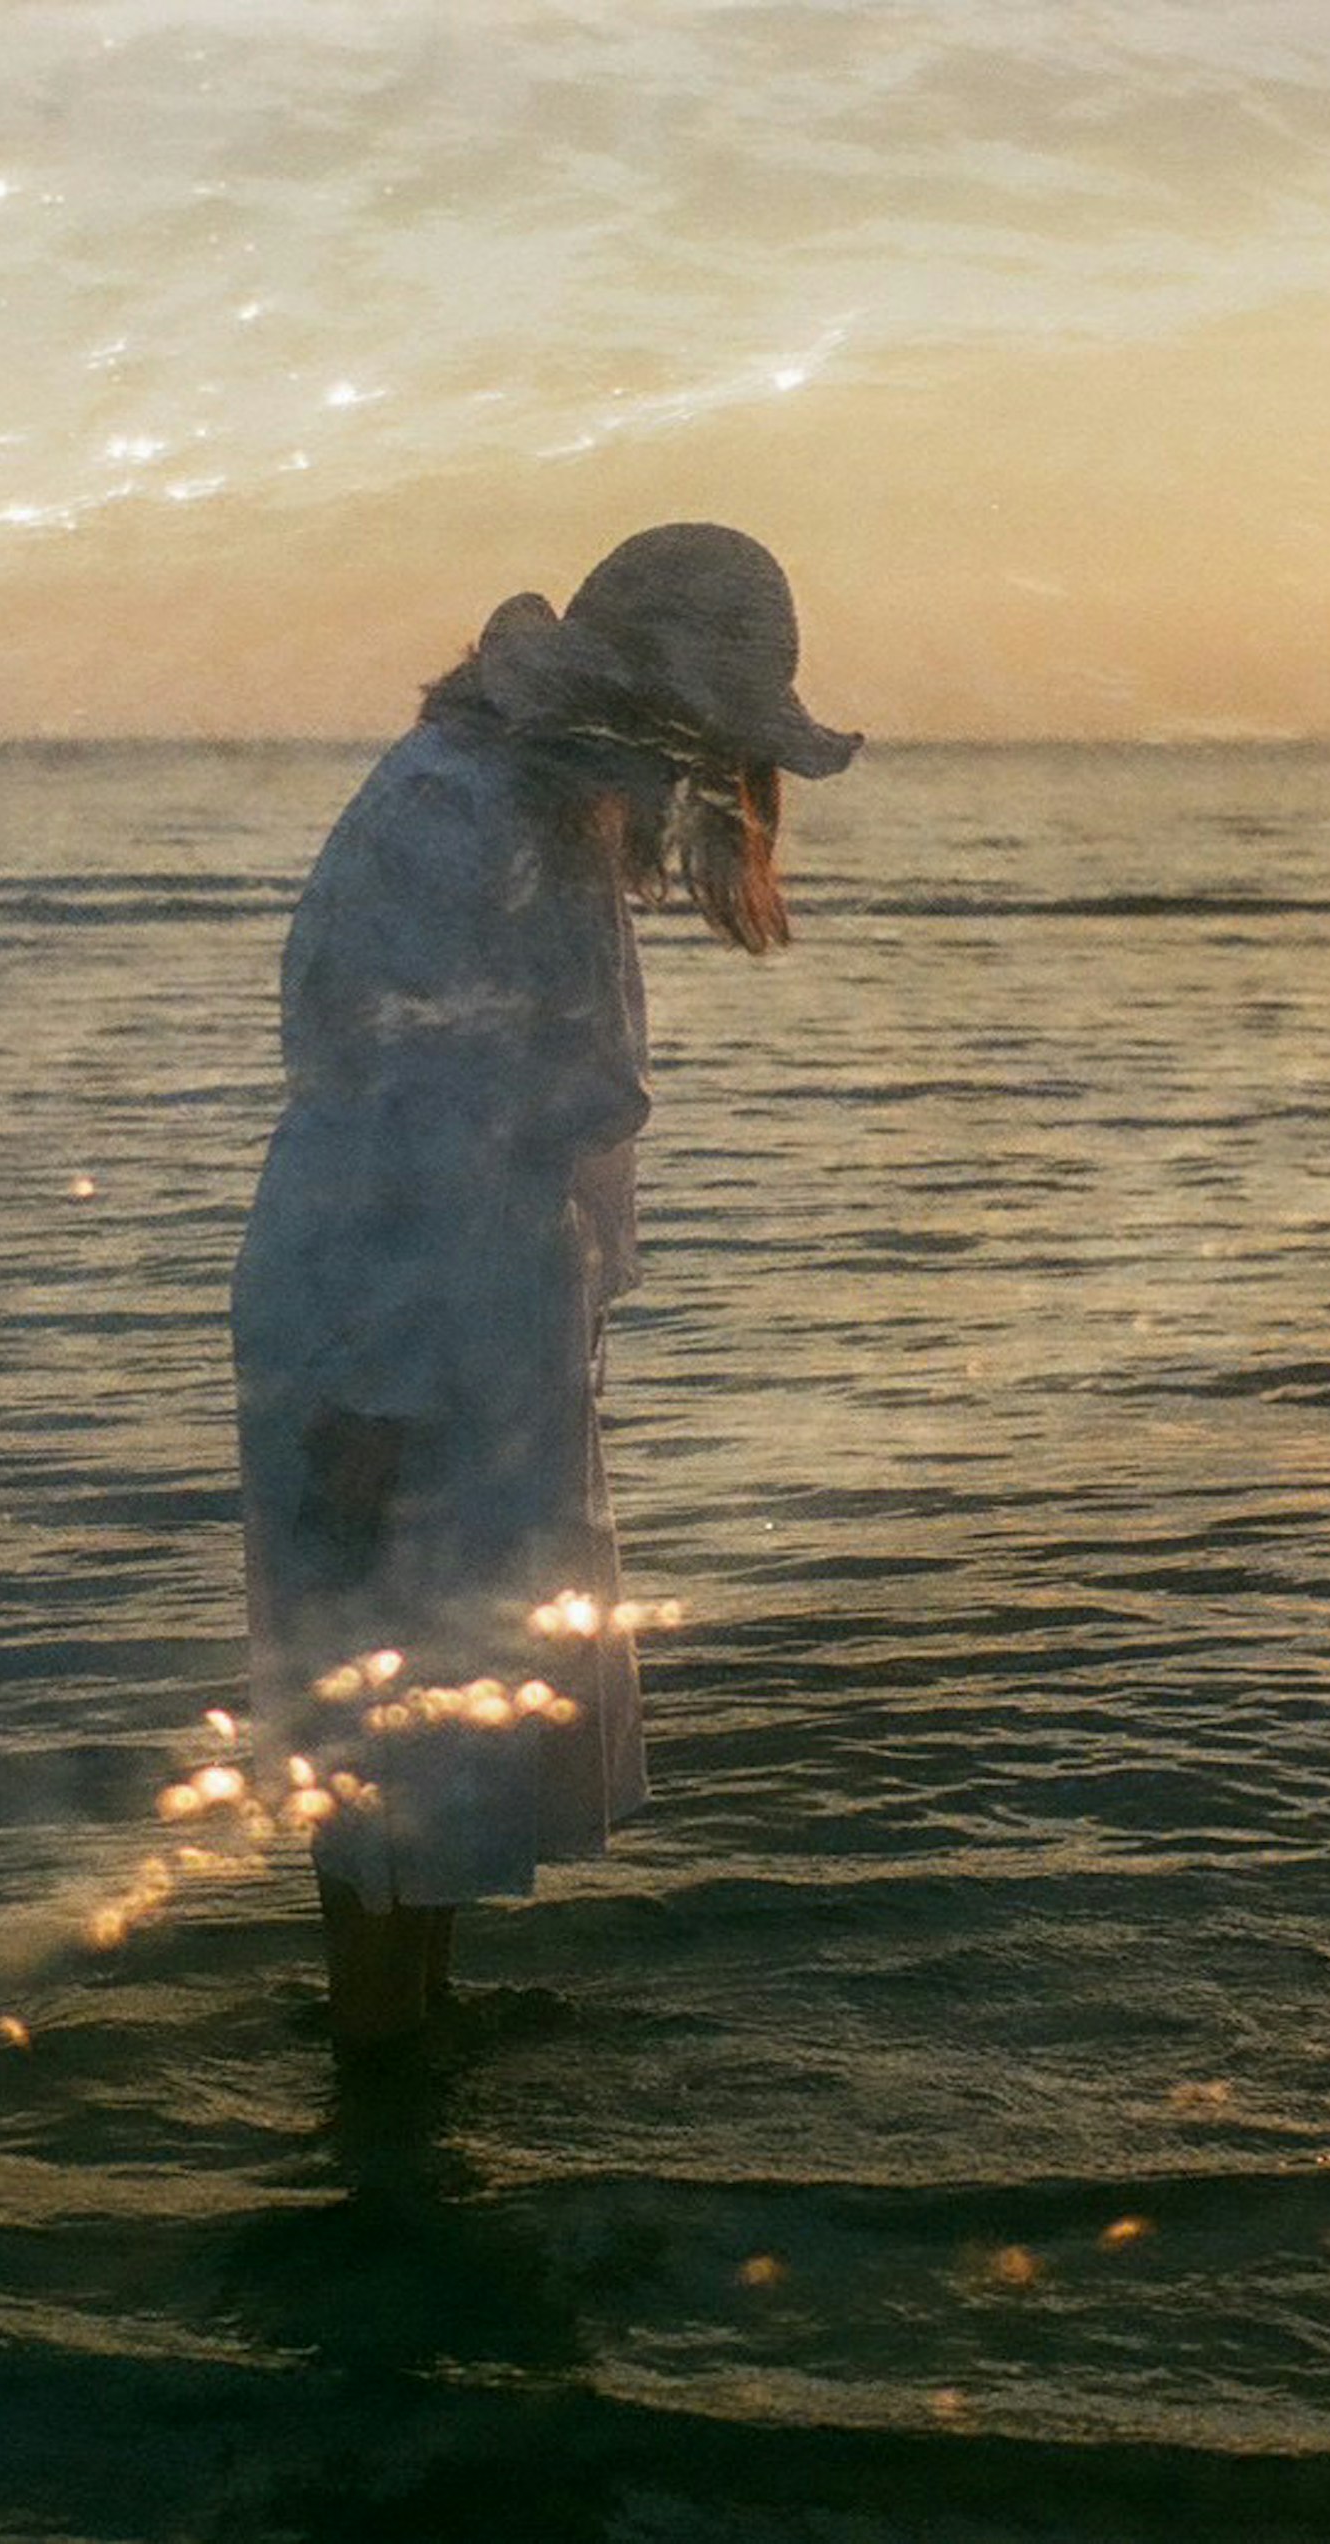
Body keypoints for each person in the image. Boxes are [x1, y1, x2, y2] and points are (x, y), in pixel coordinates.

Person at [230, 522, 860, 2052]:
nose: (715, 780)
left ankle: (413, 2009)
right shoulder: (460, 823)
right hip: (393, 1309)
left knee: (444, 1672)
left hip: (463, 1302)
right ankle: (379, 2049)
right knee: (382, 1679)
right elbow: (401, 1122)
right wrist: (379, 1396)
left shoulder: (522, 798)